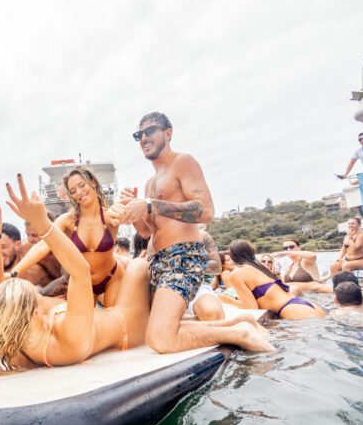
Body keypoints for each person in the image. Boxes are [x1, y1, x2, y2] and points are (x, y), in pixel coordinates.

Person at [114, 112, 272, 351]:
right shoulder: (150, 183)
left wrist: (148, 205)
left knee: (160, 339)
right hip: (157, 261)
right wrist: (133, 213)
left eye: (150, 131)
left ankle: (240, 334)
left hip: (182, 257)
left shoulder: (182, 162)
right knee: (148, 326)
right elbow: (148, 232)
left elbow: (206, 210)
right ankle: (240, 321)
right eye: (139, 134)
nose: (143, 138)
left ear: (168, 133)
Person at [0, 176, 152, 374]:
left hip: (109, 281)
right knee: (138, 265)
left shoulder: (18, 345)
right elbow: (80, 271)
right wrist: (43, 223)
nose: (41, 296)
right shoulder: (69, 339)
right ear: (34, 312)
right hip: (127, 325)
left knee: (122, 264)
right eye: (35, 294)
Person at [13, 166, 124, 306]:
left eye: (82, 185)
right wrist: (15, 272)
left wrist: (127, 206)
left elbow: (126, 215)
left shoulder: (109, 216)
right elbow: (44, 244)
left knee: (113, 321)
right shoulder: (68, 221)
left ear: (93, 182)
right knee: (83, 326)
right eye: (73, 191)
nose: (79, 192)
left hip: (111, 278)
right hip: (82, 282)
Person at [221, 240, 325, 319]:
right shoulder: (262, 268)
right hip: (304, 303)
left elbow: (251, 307)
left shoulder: (236, 274)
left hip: (291, 309)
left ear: (233, 256)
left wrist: (226, 299)